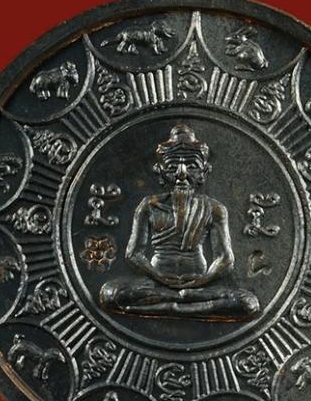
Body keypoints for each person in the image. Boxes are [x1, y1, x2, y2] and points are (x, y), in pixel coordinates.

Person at [100, 124, 260, 321]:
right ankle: (185, 304)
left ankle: (171, 304)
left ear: (203, 172)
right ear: (160, 171)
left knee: (248, 303)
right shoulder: (149, 206)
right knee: (111, 294)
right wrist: (160, 278)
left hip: (199, 284)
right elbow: (133, 254)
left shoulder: (214, 208)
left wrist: (200, 282)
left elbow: (225, 259)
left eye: (191, 166)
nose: (181, 174)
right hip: (157, 283)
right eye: (172, 167)